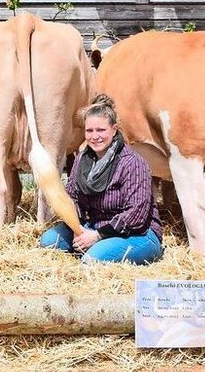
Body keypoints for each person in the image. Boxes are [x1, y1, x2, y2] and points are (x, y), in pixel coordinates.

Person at [39, 94, 164, 265]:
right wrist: (77, 228)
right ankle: (97, 246)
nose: (94, 136)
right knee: (48, 241)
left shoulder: (132, 163)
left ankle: (107, 249)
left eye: (101, 130)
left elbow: (136, 215)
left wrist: (97, 236)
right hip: (92, 227)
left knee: (92, 259)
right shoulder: (82, 161)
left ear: (114, 129)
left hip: (137, 234)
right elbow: (72, 197)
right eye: (89, 131)